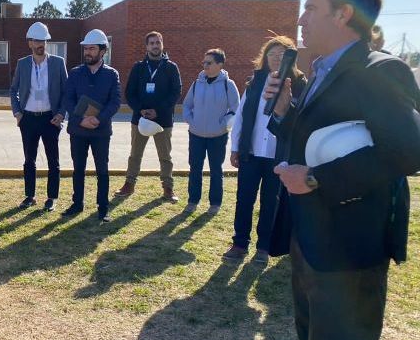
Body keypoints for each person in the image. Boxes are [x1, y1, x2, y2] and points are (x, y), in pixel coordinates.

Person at [265, 0, 420, 340]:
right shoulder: (318, 72)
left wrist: (315, 179)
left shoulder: (379, 70)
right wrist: (285, 110)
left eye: (311, 8)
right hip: (311, 238)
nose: (301, 18)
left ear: (343, 13)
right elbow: (305, 141)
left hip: (351, 248)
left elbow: (409, 150)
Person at [223, 36, 306, 265]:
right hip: (251, 153)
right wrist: (236, 147)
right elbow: (240, 116)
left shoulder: (299, 84)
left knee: (271, 201)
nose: (276, 59)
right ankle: (239, 244)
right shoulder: (255, 82)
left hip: (278, 157)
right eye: (272, 54)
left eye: (282, 55)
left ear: (291, 58)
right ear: (265, 57)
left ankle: (263, 247)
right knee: (244, 199)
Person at [116, 31, 182, 202]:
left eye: (157, 42)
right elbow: (129, 93)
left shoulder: (171, 67)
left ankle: (168, 188)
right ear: (146, 47)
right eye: (151, 43)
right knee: (135, 154)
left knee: (165, 156)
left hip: (163, 120)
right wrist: (140, 110)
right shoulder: (138, 67)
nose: (155, 45)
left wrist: (158, 111)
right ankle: (129, 185)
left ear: (162, 44)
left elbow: (176, 93)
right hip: (141, 118)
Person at [62, 29, 121, 222]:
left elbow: (115, 102)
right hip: (78, 130)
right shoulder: (75, 73)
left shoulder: (112, 75)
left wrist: (98, 119)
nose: (87, 52)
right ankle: (77, 203)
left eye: (92, 49)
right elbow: (68, 100)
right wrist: (81, 120)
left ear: (103, 51)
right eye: (86, 48)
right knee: (78, 168)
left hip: (101, 131)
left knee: (102, 170)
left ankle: (103, 207)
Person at [9, 22, 67, 211]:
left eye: (44, 40)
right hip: (28, 119)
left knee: (53, 160)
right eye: (37, 41)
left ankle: (52, 198)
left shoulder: (58, 63)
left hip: (50, 119)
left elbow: (67, 92)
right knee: (29, 160)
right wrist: (18, 113)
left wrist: (60, 114)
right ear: (30, 43)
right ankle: (30, 196)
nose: (41, 44)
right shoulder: (23, 64)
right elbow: (13, 90)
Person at [182, 48, 240, 214]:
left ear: (220, 64)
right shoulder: (196, 83)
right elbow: (187, 105)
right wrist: (190, 120)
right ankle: (193, 201)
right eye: (204, 62)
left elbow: (236, 109)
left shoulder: (228, 85)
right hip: (196, 135)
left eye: (209, 62)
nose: (205, 65)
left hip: (218, 137)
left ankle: (215, 203)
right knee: (195, 169)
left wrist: (223, 125)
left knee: (216, 170)